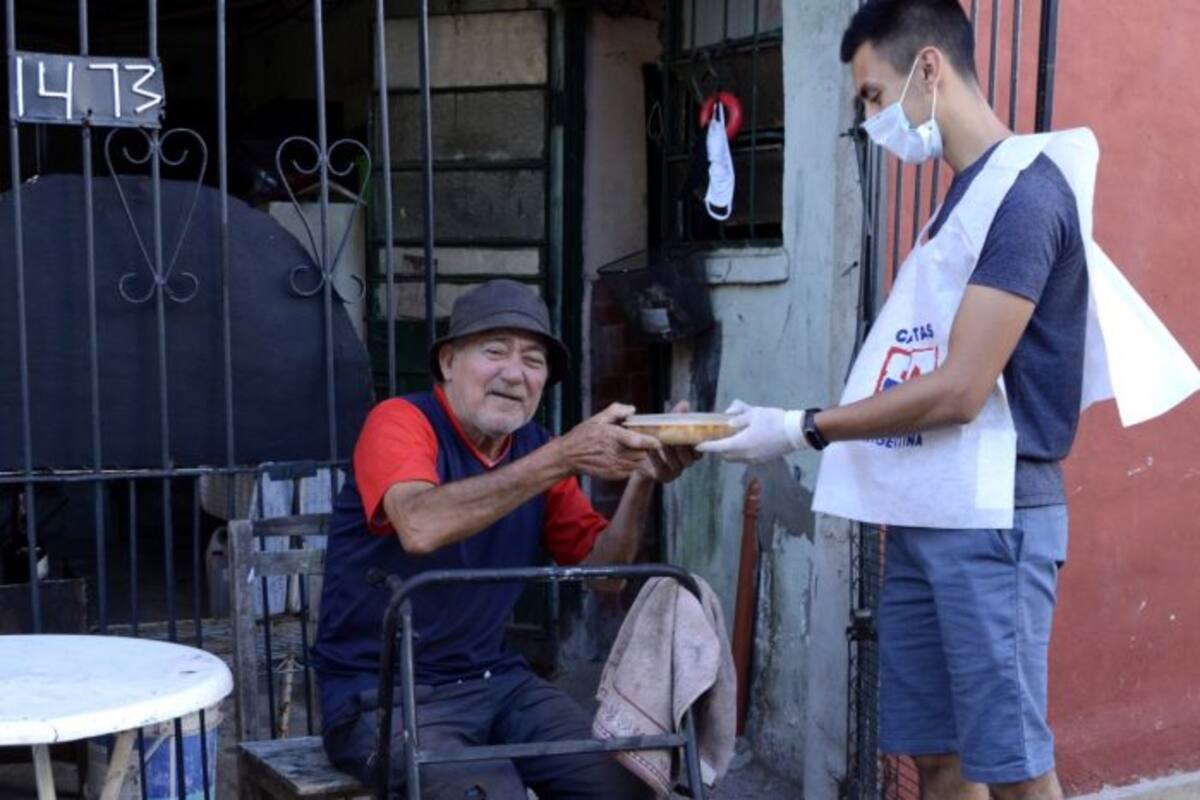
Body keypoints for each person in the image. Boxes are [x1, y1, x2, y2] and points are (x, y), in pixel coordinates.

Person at [700, 1, 1198, 798]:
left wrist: (801, 428)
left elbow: (964, 389)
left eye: (872, 96)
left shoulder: (1027, 198)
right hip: (931, 512)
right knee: (935, 760)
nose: (870, 120)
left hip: (995, 520)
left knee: (1013, 769)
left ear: (929, 69)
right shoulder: (956, 205)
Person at [312, 279, 697, 800]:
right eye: (495, 352)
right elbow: (420, 526)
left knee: (631, 788)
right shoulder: (401, 421)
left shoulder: (537, 448)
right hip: (385, 695)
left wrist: (642, 480)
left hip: (499, 681)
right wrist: (562, 458)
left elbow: (603, 576)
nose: (515, 375)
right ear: (448, 363)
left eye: (534, 361)